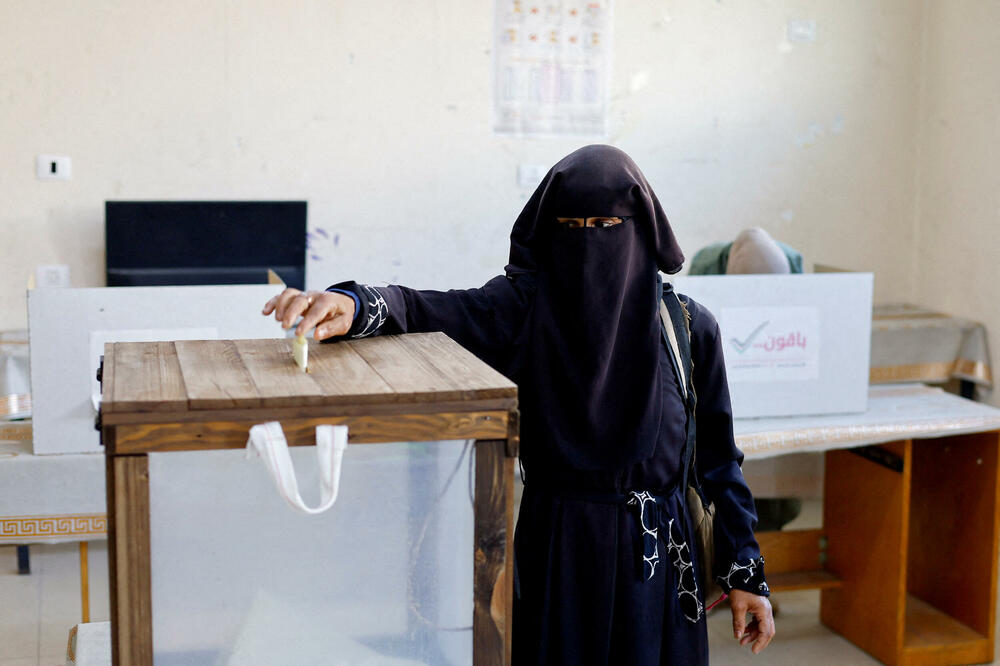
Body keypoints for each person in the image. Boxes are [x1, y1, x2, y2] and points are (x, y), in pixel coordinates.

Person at [262, 145, 774, 664]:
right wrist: (351, 303)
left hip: (663, 565)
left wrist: (746, 572)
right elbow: (427, 308)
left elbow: (717, 463)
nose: (588, 240)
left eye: (605, 223)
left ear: (640, 228)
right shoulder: (523, 311)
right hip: (558, 553)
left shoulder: (687, 329)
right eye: (571, 225)